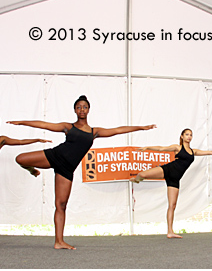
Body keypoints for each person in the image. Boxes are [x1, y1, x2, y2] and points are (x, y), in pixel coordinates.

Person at [8, 95, 156, 249]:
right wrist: (22, 122)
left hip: (67, 169)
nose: (82, 109)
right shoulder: (68, 127)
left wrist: (141, 127)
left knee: (61, 205)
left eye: (84, 107)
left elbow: (117, 130)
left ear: (89, 110)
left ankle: (59, 241)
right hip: (55, 156)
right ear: (75, 110)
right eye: (79, 107)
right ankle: (32, 171)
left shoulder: (94, 132)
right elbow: (45, 125)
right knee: (20, 159)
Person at [129, 128, 212, 238]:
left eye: (191, 135)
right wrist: (147, 147)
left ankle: (170, 232)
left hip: (175, 179)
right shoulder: (177, 148)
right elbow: (161, 149)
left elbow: (209, 152)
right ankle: (137, 179)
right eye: (187, 134)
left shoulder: (194, 151)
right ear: (182, 136)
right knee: (143, 174)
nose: (189, 136)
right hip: (168, 170)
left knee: (172, 205)